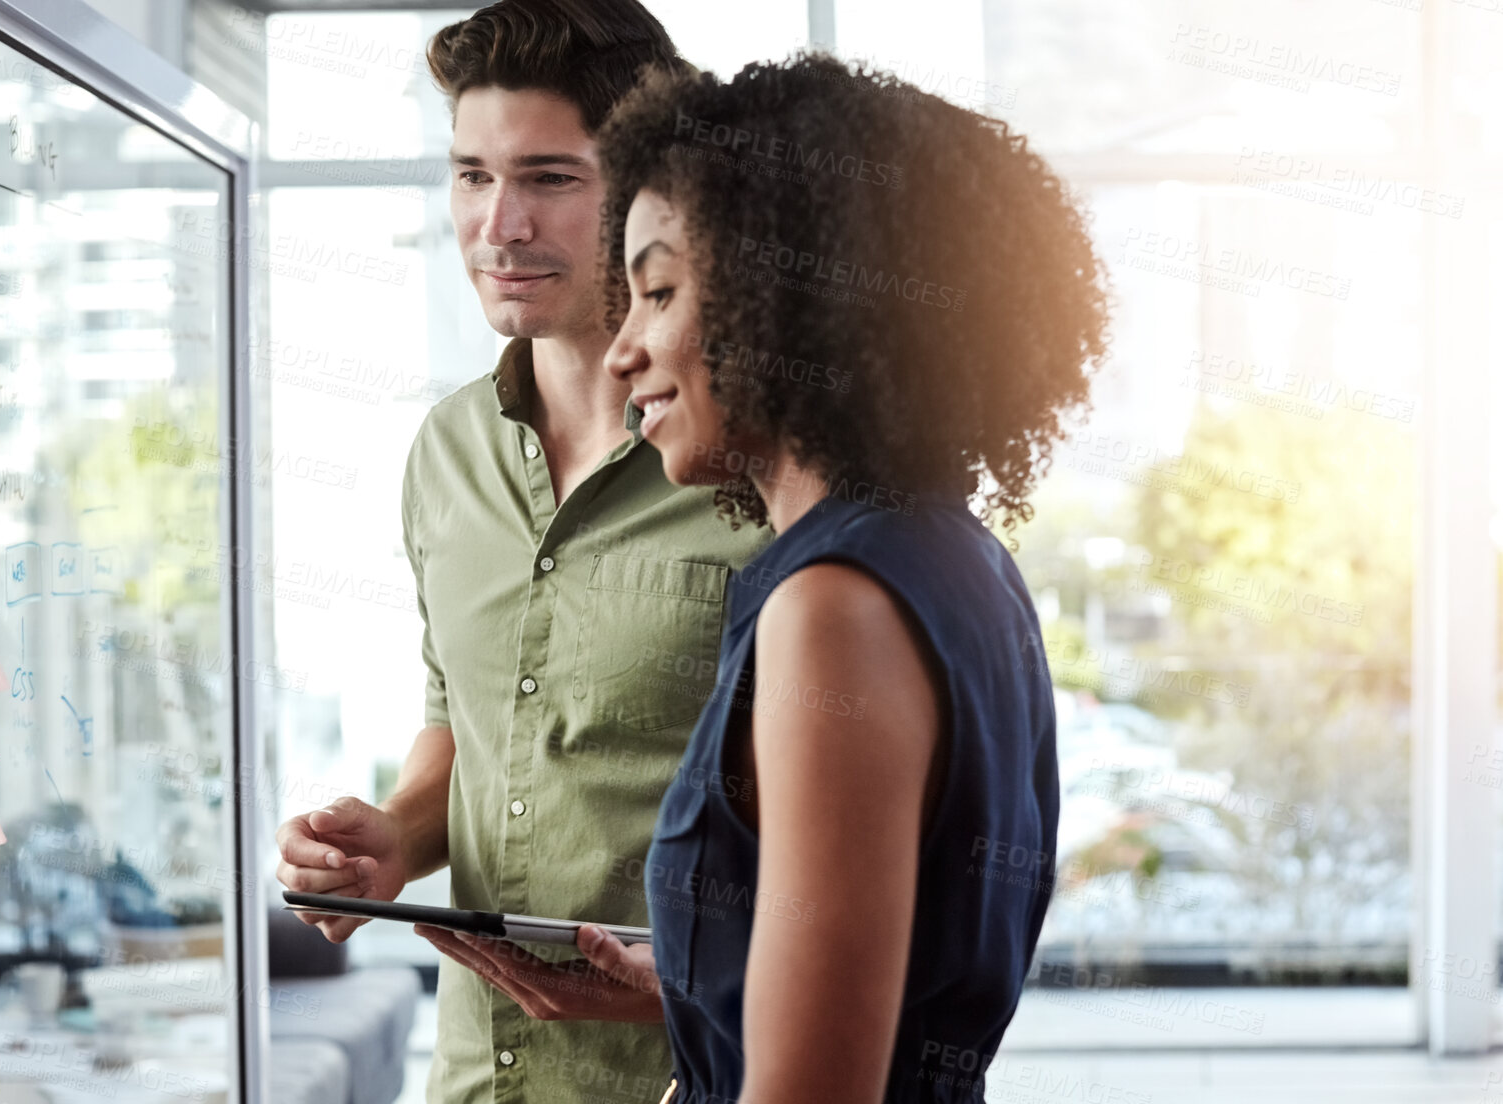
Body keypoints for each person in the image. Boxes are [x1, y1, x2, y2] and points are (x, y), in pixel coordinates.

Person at [442, 52, 1112, 1101]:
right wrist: (689, 985)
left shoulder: (831, 609)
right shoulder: (948, 558)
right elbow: (893, 986)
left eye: (658, 291)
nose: (622, 352)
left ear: (785, 300)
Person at [271, 4, 771, 1102]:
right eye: (470, 176)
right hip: (472, 1081)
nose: (498, 224)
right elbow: (467, 726)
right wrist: (389, 842)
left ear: (653, 193)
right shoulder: (445, 451)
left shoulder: (759, 466)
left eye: (549, 178)